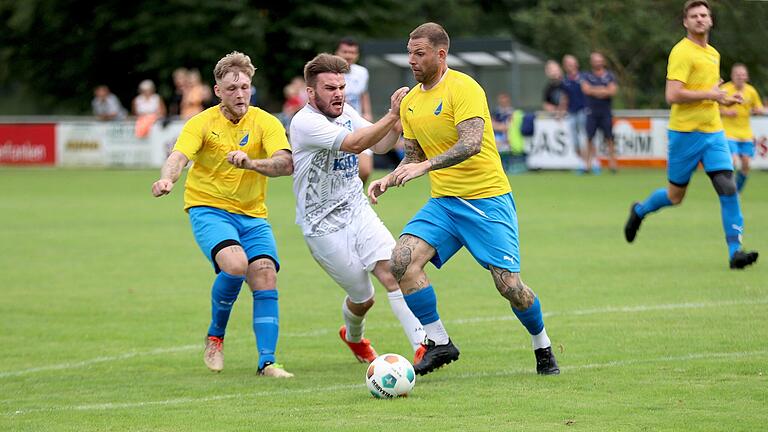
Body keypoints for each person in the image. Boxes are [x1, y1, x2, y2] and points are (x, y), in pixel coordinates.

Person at [367, 22, 560, 376]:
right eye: (409, 52)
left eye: (419, 53)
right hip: (444, 203)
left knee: (510, 286)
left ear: (441, 55)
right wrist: (391, 177)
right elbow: (412, 157)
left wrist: (423, 166)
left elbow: (470, 144)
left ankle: (542, 345)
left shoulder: (464, 88)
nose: (411, 60)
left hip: (486, 200)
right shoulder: (410, 101)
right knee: (401, 261)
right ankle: (439, 343)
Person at [151, 51, 295, 377]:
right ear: (218, 91)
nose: (240, 94)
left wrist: (252, 163)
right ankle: (216, 335)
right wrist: (166, 179)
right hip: (209, 209)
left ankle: (267, 362)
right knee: (235, 264)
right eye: (232, 88)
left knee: (265, 275)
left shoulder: (266, 122)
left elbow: (285, 163)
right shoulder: (201, 123)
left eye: (245, 86)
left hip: (253, 215)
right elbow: (178, 157)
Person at [289, 53, 427, 364]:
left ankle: (423, 347)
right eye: (329, 88)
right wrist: (391, 116)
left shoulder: (347, 111)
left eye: (341, 87)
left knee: (395, 272)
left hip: (357, 210)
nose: (338, 93)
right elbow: (354, 144)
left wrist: (398, 121)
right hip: (322, 226)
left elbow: (377, 146)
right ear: (310, 92)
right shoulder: (305, 122)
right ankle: (352, 336)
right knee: (363, 299)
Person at [624, 0, 758, 270]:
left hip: (713, 132)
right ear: (686, 22)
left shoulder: (713, 54)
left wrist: (723, 100)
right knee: (675, 196)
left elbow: (708, 92)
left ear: (711, 21)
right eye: (694, 15)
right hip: (684, 134)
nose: (700, 19)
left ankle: (735, 252)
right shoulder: (681, 52)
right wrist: (710, 94)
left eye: (704, 15)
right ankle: (640, 210)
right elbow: (672, 95)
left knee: (728, 187)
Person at [335, 37, 376, 184]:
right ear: (337, 52)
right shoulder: (329, 73)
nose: (348, 56)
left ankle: (356, 197)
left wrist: (367, 113)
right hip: (336, 125)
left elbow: (363, 94)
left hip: (356, 123)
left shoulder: (362, 72)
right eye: (345, 51)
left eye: (352, 52)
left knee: (365, 170)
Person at [720, 63, 764, 192]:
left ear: (747, 77)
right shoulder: (725, 89)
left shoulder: (751, 91)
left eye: (743, 74)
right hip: (729, 132)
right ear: (732, 76)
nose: (740, 77)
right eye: (738, 74)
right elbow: (714, 108)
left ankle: (737, 190)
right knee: (732, 162)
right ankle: (730, 189)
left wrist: (759, 110)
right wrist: (726, 112)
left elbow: (758, 107)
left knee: (746, 164)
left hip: (746, 134)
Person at [582, 52, 618, 173]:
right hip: (591, 112)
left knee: (609, 138)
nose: (598, 63)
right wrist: (603, 90)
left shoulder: (610, 76)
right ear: (591, 62)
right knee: (589, 138)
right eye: (595, 60)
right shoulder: (587, 76)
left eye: (599, 60)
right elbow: (586, 90)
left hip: (605, 112)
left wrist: (595, 90)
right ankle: (587, 165)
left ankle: (612, 164)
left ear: (603, 62)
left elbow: (612, 91)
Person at [562, 54, 588, 170]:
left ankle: (590, 163)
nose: (570, 66)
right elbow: (565, 97)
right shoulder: (565, 80)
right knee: (575, 139)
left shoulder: (584, 77)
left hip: (584, 111)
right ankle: (582, 163)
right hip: (571, 112)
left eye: (571, 63)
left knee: (585, 137)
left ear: (576, 64)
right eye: (567, 64)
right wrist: (560, 111)